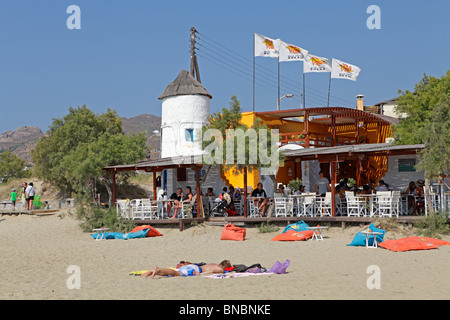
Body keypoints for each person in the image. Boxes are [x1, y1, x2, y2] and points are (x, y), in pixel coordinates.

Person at [141, 260, 232, 279]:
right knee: (177, 273)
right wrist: (199, 274)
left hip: (193, 265)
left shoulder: (213, 263)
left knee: (175, 272)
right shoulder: (220, 269)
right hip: (195, 269)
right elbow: (211, 272)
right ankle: (158, 270)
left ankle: (152, 273)